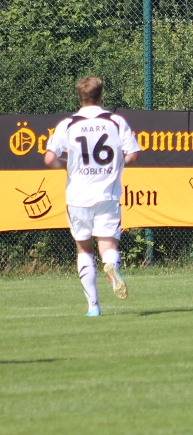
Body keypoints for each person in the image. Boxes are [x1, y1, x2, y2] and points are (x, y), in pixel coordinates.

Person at [44, 76, 140, 316]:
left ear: (80, 96)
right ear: (101, 95)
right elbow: (133, 154)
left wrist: (68, 167)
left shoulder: (69, 124)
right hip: (107, 194)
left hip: (78, 196)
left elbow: (49, 158)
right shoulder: (115, 121)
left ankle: (93, 307)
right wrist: (116, 165)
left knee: (84, 250)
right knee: (108, 244)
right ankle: (111, 264)